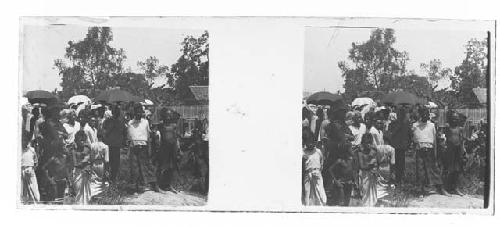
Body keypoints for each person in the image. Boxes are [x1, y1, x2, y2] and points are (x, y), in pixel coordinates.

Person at [412, 108, 449, 196]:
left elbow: (435, 140)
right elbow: (413, 139)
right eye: (423, 115)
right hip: (420, 150)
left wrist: (435, 152)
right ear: (420, 115)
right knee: (420, 170)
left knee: (434, 169)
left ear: (428, 116)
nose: (425, 117)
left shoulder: (432, 125)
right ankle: (421, 190)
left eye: (426, 115)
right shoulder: (415, 125)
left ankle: (441, 188)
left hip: (430, 150)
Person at [127, 104, 158, 193]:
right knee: (135, 168)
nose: (139, 114)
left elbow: (148, 136)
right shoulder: (130, 123)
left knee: (147, 166)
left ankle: (154, 185)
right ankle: (136, 188)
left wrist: (149, 147)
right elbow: (129, 137)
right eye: (137, 112)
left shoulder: (145, 122)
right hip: (134, 147)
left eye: (140, 112)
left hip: (143, 147)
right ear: (134, 113)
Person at [156, 108, 181, 193]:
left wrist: (178, 147)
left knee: (171, 166)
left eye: (170, 114)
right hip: (163, 147)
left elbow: (176, 137)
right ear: (164, 115)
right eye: (167, 114)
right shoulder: (160, 125)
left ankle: (168, 185)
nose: (168, 116)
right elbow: (157, 136)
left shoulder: (174, 125)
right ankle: (158, 185)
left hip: (173, 147)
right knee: (162, 165)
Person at [102, 105, 127, 182]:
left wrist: (123, 143)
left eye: (118, 111)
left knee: (116, 164)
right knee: (107, 163)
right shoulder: (107, 121)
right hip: (108, 146)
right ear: (112, 112)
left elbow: (124, 133)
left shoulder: (121, 122)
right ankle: (106, 179)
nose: (117, 113)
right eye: (115, 111)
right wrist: (111, 126)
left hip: (117, 146)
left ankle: (113, 180)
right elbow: (103, 133)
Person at [302, 129, 327, 206]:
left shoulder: (318, 151)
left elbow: (321, 162)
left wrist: (318, 171)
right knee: (308, 192)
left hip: (317, 173)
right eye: (308, 142)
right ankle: (308, 206)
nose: (310, 144)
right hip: (307, 174)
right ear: (305, 142)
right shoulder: (303, 153)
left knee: (320, 191)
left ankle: (322, 205)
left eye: (312, 142)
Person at [443, 111, 465, 196]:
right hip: (449, 150)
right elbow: (443, 137)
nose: (454, 120)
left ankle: (455, 188)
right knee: (449, 169)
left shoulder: (460, 128)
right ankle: (445, 188)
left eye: (456, 118)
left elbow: (461, 139)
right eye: (453, 118)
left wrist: (463, 150)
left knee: (457, 169)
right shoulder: (448, 127)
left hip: (458, 149)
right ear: (450, 119)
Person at [389, 107, 412, 185]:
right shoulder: (394, 124)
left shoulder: (406, 124)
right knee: (394, 163)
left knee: (400, 164)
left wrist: (408, 145)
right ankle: (395, 179)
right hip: (395, 147)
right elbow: (390, 134)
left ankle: (400, 179)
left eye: (402, 114)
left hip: (401, 147)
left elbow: (410, 135)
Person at [72, 130, 92, 205]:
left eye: (84, 140)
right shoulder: (74, 149)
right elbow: (74, 162)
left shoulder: (87, 148)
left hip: (85, 172)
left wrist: (83, 162)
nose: (82, 142)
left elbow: (88, 159)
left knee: (86, 193)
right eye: (80, 140)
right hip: (77, 172)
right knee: (78, 191)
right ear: (77, 140)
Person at [358, 133, 378, 207]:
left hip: (372, 175)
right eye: (367, 143)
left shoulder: (374, 151)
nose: (368, 144)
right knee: (365, 192)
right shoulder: (361, 153)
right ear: (363, 143)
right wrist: (370, 165)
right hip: (364, 175)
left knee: (373, 193)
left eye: (370, 142)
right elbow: (362, 166)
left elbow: (377, 162)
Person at [21, 135, 40, 204]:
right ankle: (25, 202)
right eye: (23, 140)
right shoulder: (19, 149)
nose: (25, 142)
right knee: (24, 189)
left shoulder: (32, 150)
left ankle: (36, 202)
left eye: (26, 140)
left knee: (34, 188)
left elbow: (36, 161)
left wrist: (31, 169)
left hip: (30, 170)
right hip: (21, 170)